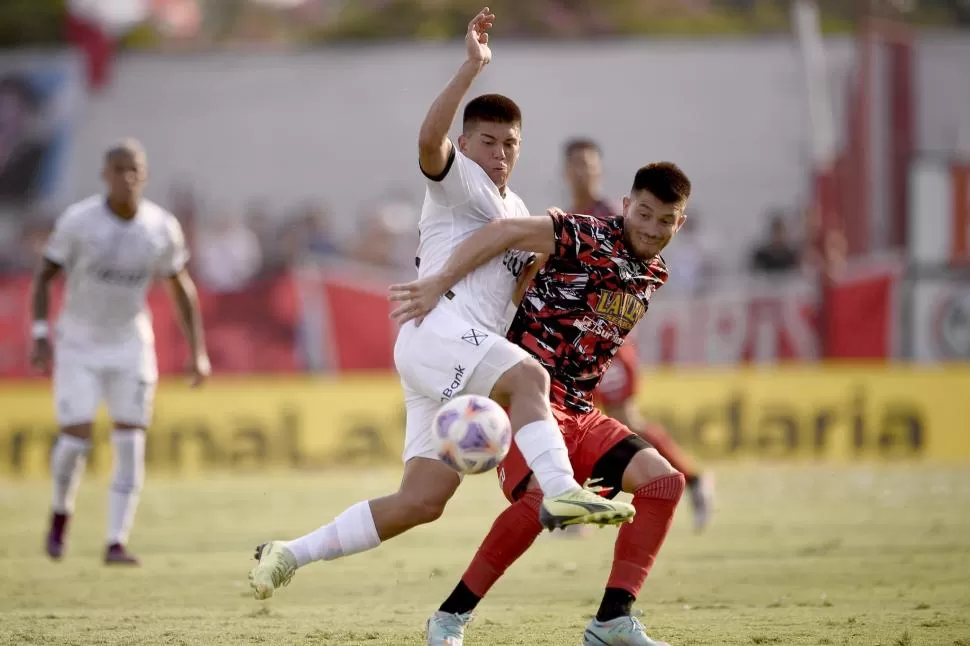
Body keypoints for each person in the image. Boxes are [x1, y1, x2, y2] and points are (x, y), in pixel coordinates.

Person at [247, 7, 634, 602]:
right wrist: (470, 68)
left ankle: (286, 554)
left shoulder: (517, 206)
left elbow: (521, 287)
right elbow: (428, 142)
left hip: (453, 354)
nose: (500, 153)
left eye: (510, 143)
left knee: (421, 502)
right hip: (440, 333)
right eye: (487, 141)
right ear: (466, 143)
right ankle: (559, 489)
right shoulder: (459, 184)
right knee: (526, 376)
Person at [392, 162, 692, 646]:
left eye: (665, 220)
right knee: (538, 503)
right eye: (644, 213)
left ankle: (612, 621)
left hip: (582, 409)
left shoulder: (655, 272)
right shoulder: (583, 232)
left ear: (680, 222)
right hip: (525, 399)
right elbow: (505, 231)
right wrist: (440, 281)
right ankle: (449, 618)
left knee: (663, 483)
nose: (652, 228)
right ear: (625, 206)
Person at [31, 138, 210, 565]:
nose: (127, 178)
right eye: (119, 170)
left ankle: (115, 541)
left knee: (130, 441)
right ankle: (60, 514)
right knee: (75, 441)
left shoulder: (161, 226)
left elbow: (179, 285)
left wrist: (197, 350)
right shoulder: (79, 222)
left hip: (130, 341)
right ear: (105, 175)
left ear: (144, 175)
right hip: (79, 341)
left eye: (135, 170)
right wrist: (40, 335)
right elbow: (44, 277)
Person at [564, 137, 714, 533]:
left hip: (609, 346)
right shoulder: (569, 218)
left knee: (624, 421)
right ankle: (574, 501)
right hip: (574, 347)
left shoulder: (617, 216)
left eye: (590, 164)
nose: (585, 171)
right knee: (572, 420)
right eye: (577, 164)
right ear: (566, 171)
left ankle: (692, 480)